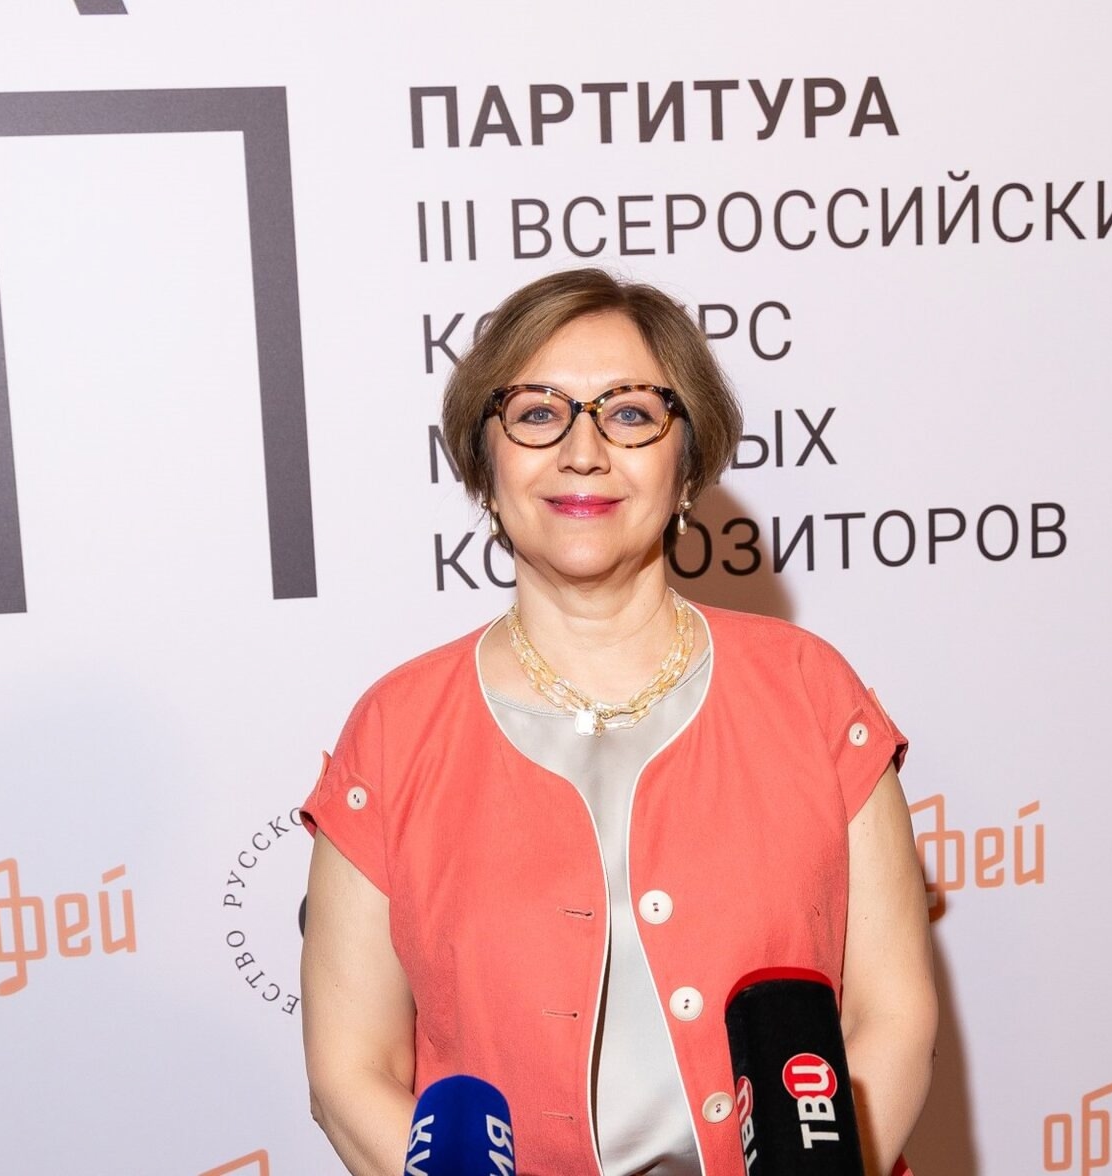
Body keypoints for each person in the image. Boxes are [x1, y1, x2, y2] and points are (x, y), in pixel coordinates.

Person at [300, 267, 936, 1176]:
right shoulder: (395, 734)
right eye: (537, 413)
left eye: (630, 413)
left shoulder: (812, 692)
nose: (583, 451)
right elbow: (350, 1073)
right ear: (486, 467)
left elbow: (892, 1019)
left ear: (688, 464)